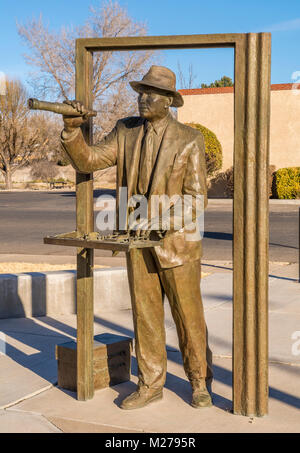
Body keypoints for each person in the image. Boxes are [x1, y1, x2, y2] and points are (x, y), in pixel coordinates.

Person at [61, 65, 213, 410]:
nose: (143, 99)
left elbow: (196, 198)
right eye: (141, 92)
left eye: (151, 94)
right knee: (145, 318)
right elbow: (91, 159)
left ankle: (199, 381)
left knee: (188, 318)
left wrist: (159, 220)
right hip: (136, 244)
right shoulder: (125, 131)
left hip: (177, 245)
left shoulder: (190, 139)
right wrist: (72, 130)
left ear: (168, 101)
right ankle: (150, 383)